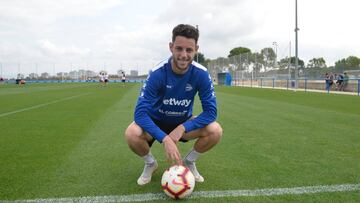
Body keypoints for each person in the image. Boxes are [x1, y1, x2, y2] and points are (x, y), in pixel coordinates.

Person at [124, 24, 223, 186]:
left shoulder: (201, 73)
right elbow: (140, 114)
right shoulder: (157, 73)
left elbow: (211, 113)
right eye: (179, 49)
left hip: (182, 122)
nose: (184, 55)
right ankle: (150, 164)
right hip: (155, 122)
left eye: (189, 50)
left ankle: (190, 162)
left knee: (215, 130)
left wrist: (182, 128)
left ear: (196, 49)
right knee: (132, 133)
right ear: (171, 47)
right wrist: (165, 139)